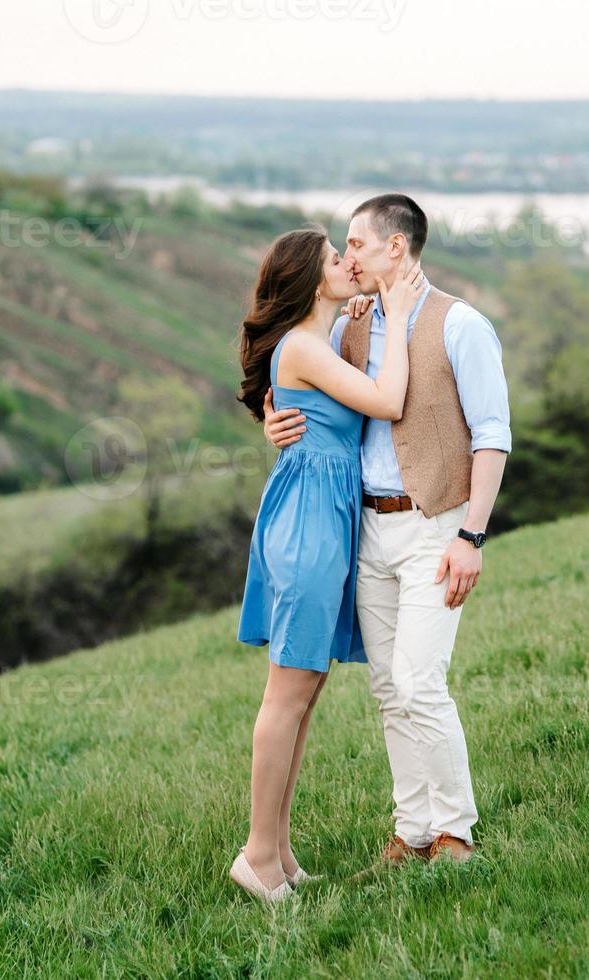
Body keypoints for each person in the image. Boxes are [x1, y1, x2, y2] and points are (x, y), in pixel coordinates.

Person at [262, 194, 510, 870]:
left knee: (419, 681)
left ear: (395, 248)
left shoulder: (460, 324)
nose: (348, 258)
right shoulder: (350, 326)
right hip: (366, 531)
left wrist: (473, 537)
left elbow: (492, 437)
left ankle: (456, 832)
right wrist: (274, 416)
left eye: (358, 245)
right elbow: (310, 390)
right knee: (387, 691)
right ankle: (413, 833)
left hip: (437, 527)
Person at [231, 225, 426, 902]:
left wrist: (368, 317)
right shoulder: (303, 349)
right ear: (314, 279)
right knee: (287, 696)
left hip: (323, 516)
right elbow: (389, 402)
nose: (350, 263)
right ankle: (256, 855)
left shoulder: (319, 339)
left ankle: (279, 852)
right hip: (309, 525)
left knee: (305, 694)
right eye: (336, 258)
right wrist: (397, 318)